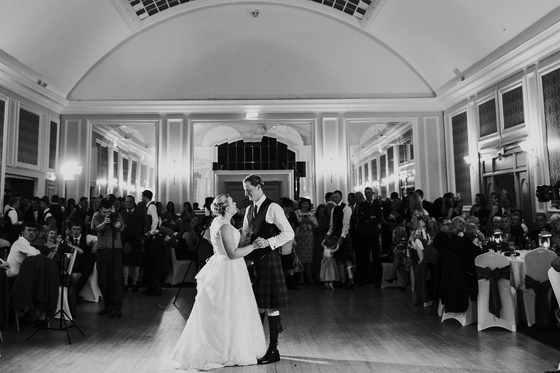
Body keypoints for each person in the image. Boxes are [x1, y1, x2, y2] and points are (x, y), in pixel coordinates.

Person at [171, 194, 266, 370]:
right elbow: (232, 253)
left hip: (224, 266)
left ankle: (227, 345)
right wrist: (254, 246)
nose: (236, 203)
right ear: (226, 208)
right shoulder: (224, 226)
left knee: (225, 309)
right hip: (229, 269)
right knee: (229, 309)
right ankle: (226, 350)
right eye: (232, 202)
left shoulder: (219, 223)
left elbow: (222, 247)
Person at [242, 174, 295, 365]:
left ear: (258, 187)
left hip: (270, 259)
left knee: (271, 305)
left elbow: (289, 232)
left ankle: (274, 349)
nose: (246, 194)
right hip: (253, 261)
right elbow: (246, 235)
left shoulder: (274, 208)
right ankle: (258, 346)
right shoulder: (249, 209)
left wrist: (270, 241)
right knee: (257, 304)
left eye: (248, 190)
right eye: (245, 190)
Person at [93, 198, 125, 319]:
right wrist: (105, 222)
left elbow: (122, 227)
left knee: (116, 279)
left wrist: (119, 225)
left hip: (115, 249)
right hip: (102, 250)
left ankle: (117, 307)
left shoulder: (117, 215)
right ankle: (108, 305)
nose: (107, 214)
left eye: (108, 211)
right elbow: (97, 228)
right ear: (100, 209)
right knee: (103, 279)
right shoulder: (96, 216)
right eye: (104, 212)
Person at [326, 190, 354, 289]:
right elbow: (332, 224)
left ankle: (350, 280)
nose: (335, 198)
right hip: (336, 234)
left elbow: (346, 224)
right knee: (339, 259)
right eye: (333, 197)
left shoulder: (347, 208)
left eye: (337, 197)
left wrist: (342, 237)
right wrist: (328, 234)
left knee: (347, 259)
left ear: (341, 197)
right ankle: (342, 280)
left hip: (344, 235)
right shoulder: (334, 209)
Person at [354, 187, 382, 286]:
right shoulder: (361, 205)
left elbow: (378, 218)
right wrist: (371, 217)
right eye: (366, 193)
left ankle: (375, 277)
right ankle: (364, 277)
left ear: (372, 193)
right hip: (364, 234)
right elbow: (361, 217)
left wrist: (368, 218)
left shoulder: (377, 204)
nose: (367, 195)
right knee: (364, 256)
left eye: (369, 193)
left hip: (373, 234)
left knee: (375, 256)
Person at [120, 195, 145, 292]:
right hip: (125, 241)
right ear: (125, 203)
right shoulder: (121, 213)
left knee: (136, 263)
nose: (128, 203)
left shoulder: (140, 213)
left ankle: (135, 282)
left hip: (137, 241)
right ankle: (125, 283)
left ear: (134, 202)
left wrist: (142, 238)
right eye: (127, 201)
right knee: (125, 263)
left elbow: (143, 226)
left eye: (130, 201)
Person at [142, 190, 164, 296]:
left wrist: (151, 232)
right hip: (153, 238)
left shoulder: (151, 206)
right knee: (151, 264)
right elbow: (159, 220)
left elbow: (156, 220)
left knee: (153, 263)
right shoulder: (152, 206)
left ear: (145, 197)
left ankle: (155, 288)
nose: (141, 198)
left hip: (153, 239)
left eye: (142, 196)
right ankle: (153, 287)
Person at [294, 198, 318, 284]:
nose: (305, 205)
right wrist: (301, 221)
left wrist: (310, 221)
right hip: (299, 235)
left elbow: (316, 225)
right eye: (304, 204)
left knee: (309, 257)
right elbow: (294, 223)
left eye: (307, 204)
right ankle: (301, 277)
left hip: (309, 236)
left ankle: (309, 276)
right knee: (300, 257)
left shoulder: (311, 213)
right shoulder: (296, 213)